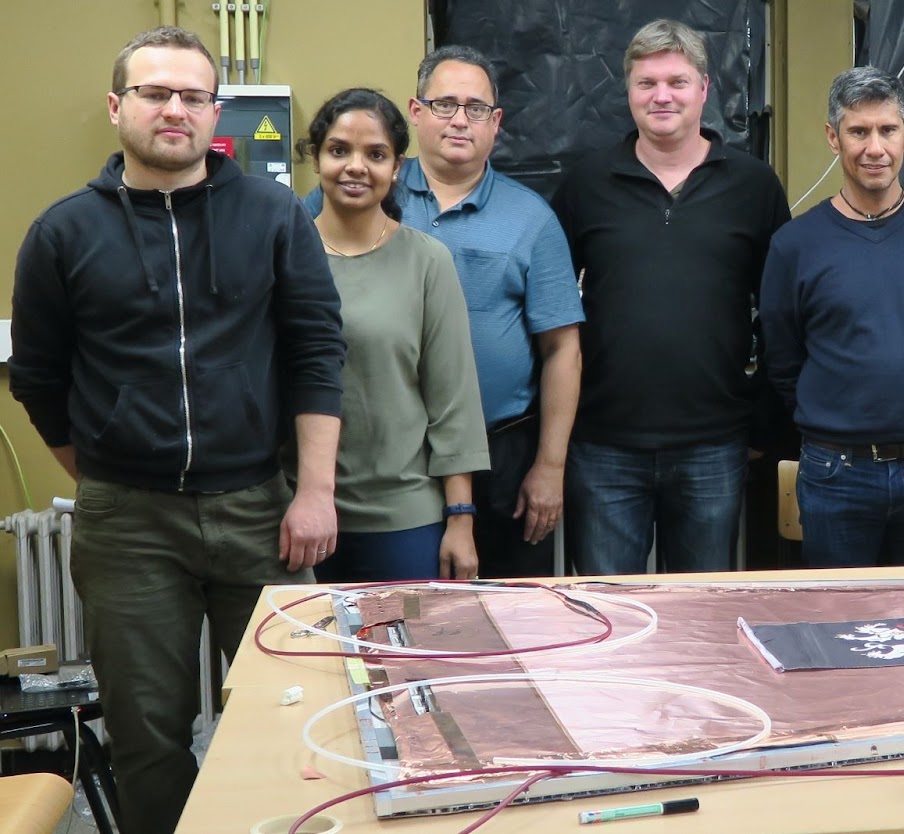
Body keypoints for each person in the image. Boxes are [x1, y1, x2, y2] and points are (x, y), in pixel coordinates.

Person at [9, 27, 344, 834]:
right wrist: (103, 474)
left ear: (214, 113)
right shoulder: (63, 233)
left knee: (306, 713)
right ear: (118, 105)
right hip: (129, 525)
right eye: (156, 93)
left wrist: (315, 493)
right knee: (148, 736)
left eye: (193, 96)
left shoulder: (272, 214)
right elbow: (39, 380)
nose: (175, 110)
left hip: (261, 510)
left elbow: (317, 351)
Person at [304, 47, 583, 579]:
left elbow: (562, 349)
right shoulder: (351, 195)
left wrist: (549, 466)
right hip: (379, 462)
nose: (460, 119)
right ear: (416, 111)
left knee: (508, 623)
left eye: (476, 108)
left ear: (495, 122)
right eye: (445, 103)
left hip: (503, 455)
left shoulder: (532, 219)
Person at [551, 19, 790, 575]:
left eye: (678, 82)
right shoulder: (587, 184)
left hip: (714, 444)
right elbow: (551, 313)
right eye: (646, 83)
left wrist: (761, 421)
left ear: (705, 89)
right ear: (628, 91)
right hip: (603, 445)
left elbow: (782, 313)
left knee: (701, 623)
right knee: (611, 617)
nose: (662, 96)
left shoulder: (753, 186)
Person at [760, 66, 904, 568]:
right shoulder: (796, 244)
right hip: (835, 472)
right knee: (839, 624)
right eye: (858, 132)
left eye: (886, 130)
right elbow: (782, 354)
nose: (874, 147)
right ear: (833, 138)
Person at [297, 88, 491, 581]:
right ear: (316, 157)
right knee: (309, 658)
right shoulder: (284, 256)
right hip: (300, 516)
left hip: (405, 520)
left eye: (375, 154)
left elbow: (453, 402)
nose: (356, 166)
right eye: (339, 150)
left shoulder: (427, 261)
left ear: (397, 167)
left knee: (404, 658)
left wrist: (460, 521)